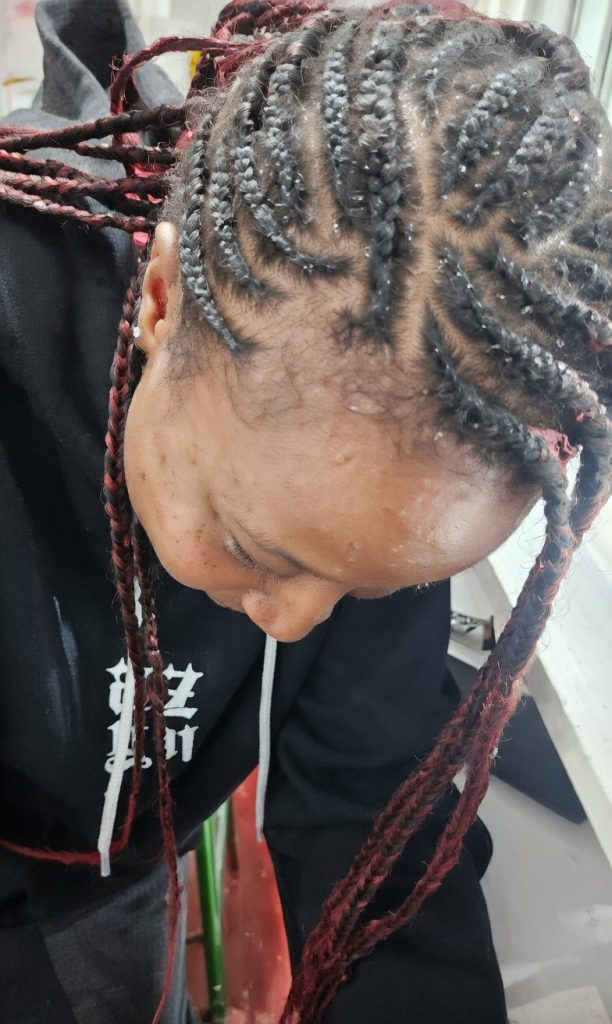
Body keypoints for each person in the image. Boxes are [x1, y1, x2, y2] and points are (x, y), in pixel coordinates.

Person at [0, 0, 610, 1022]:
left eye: (367, 585)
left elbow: (371, 813)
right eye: (253, 547)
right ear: (161, 301)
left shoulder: (385, 479)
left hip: (123, 885)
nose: (294, 622)